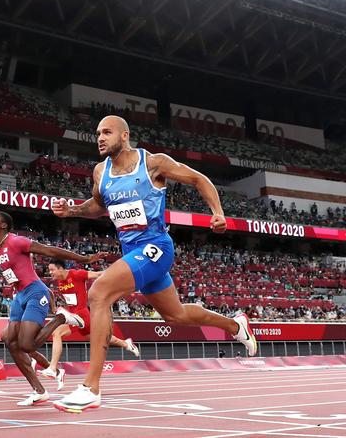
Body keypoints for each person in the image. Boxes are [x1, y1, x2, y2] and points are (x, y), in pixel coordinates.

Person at [52, 115, 257, 413]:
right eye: (97, 133)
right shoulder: (100, 171)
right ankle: (236, 325)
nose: (100, 138)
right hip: (132, 251)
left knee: (98, 294)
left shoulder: (153, 163)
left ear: (125, 136)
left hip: (156, 247)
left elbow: (199, 178)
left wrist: (218, 212)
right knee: (176, 315)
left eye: (107, 132)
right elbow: (98, 206)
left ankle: (91, 388)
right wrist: (71, 210)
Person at [0, 211, 106, 406]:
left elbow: (50, 251)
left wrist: (83, 259)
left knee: (26, 345)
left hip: (34, 292)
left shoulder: (16, 241)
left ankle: (61, 317)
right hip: (20, 296)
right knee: (9, 339)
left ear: (4, 225)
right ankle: (39, 391)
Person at [39, 260, 140, 391]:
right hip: (74, 315)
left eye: (52, 270)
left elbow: (99, 274)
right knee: (98, 338)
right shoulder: (59, 282)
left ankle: (54, 369)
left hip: (81, 315)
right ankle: (126, 344)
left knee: (57, 333)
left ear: (61, 269)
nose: (50, 273)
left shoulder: (76, 274)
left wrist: (119, 274)